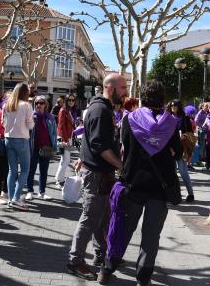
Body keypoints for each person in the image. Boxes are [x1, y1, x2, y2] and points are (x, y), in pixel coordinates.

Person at [99, 81, 182, 286]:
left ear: (142, 98)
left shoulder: (129, 120)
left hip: (133, 184)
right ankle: (143, 278)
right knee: (151, 236)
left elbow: (124, 145)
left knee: (123, 230)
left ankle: (107, 269)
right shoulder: (171, 123)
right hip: (160, 188)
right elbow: (178, 153)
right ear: (163, 99)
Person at [67, 74, 127, 281]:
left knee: (102, 218)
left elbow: (90, 140)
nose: (126, 92)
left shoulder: (101, 108)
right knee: (90, 218)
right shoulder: (101, 110)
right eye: (123, 87)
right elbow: (100, 147)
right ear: (110, 89)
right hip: (97, 174)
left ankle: (101, 255)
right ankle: (75, 261)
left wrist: (83, 158)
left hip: (101, 173)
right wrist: (122, 166)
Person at [2, 83, 34, 210]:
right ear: (25, 93)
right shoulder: (26, 105)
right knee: (25, 169)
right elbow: (30, 125)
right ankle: (16, 198)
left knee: (12, 170)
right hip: (21, 139)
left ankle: (11, 199)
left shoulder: (8, 105)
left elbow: (4, 123)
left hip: (8, 139)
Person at [25, 95, 58, 201]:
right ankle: (30, 191)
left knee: (44, 171)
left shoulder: (50, 117)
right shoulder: (31, 116)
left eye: (41, 103)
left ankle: (42, 192)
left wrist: (55, 147)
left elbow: (54, 133)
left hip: (46, 147)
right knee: (31, 170)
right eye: (37, 103)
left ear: (46, 105)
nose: (39, 105)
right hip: (33, 147)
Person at [168, 100, 195, 202]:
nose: (173, 107)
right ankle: (175, 195)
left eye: (174, 105)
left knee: (183, 172)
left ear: (179, 106)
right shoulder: (168, 118)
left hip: (181, 149)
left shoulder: (185, 118)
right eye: (171, 105)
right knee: (172, 173)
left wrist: (185, 135)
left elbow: (191, 133)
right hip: (170, 149)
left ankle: (190, 194)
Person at [56, 94, 79, 186]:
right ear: (66, 101)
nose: (71, 102)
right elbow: (61, 126)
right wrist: (65, 140)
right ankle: (59, 180)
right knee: (66, 160)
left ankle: (59, 177)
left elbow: (71, 124)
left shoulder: (71, 111)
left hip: (68, 137)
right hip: (63, 137)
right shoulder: (63, 110)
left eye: (73, 100)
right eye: (69, 100)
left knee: (64, 159)